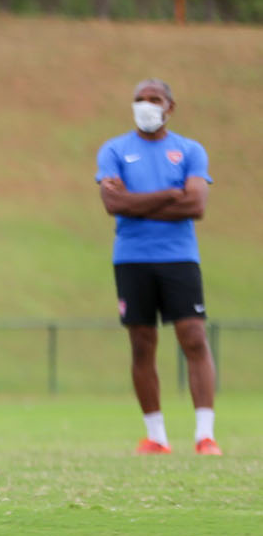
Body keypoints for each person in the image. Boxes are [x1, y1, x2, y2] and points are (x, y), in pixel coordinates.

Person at [96, 78, 220, 456]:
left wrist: (136, 201)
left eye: (154, 99)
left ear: (170, 107)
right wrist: (170, 194)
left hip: (179, 257)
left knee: (194, 338)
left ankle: (205, 435)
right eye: (139, 99)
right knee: (141, 344)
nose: (146, 105)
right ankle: (157, 437)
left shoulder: (189, 151)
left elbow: (196, 205)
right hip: (131, 258)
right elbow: (114, 205)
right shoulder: (114, 150)